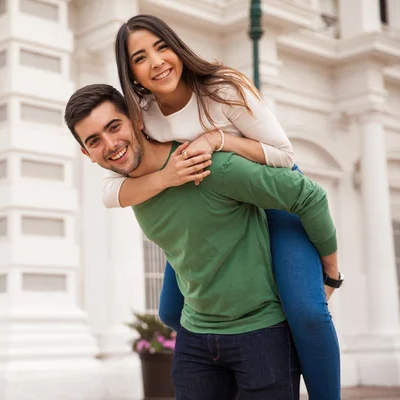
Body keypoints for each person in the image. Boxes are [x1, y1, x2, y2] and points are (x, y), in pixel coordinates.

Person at [105, 14, 342, 399]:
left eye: (162, 47)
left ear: (177, 48)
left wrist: (218, 139)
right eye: (140, 57)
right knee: (169, 314)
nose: (157, 62)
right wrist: (165, 179)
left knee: (308, 313)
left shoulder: (223, 88)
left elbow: (283, 155)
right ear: (131, 74)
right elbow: (108, 190)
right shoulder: (142, 115)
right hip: (218, 211)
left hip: (269, 190)